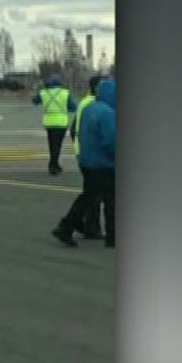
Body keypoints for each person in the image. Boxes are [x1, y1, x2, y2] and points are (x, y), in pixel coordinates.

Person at [53, 77, 116, 248]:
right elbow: (111, 141)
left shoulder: (89, 108)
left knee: (89, 196)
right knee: (110, 200)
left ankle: (67, 225)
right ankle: (112, 236)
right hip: (104, 163)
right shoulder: (108, 113)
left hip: (88, 160)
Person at [70, 75, 106, 237]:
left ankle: (83, 224)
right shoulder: (93, 104)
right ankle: (86, 225)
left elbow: (73, 129)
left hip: (86, 154)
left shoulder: (86, 102)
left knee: (92, 192)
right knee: (95, 193)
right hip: (92, 156)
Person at [33, 74, 77, 175]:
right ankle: (53, 165)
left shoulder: (44, 92)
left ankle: (54, 164)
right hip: (61, 122)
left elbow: (35, 101)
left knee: (52, 144)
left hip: (49, 123)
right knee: (58, 145)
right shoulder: (65, 93)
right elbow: (73, 107)